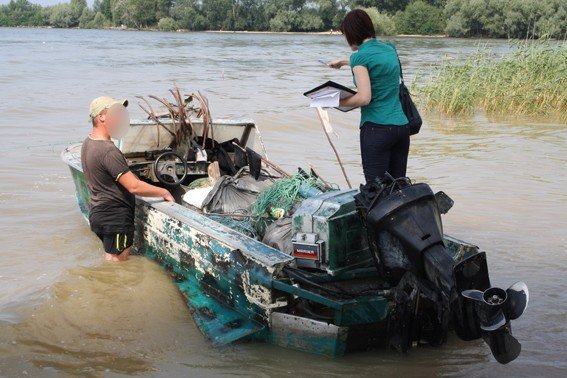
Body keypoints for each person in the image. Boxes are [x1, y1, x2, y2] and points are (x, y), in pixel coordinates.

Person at [81, 96, 174, 262]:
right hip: (115, 218)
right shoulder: (109, 151)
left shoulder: (88, 143)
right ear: (101, 117)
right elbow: (134, 187)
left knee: (111, 259)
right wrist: (164, 191)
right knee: (117, 265)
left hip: (98, 214)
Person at [328, 9, 409, 184]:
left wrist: (334, 100)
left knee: (376, 191)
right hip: (401, 128)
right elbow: (374, 60)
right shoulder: (390, 49)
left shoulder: (359, 58)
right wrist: (343, 61)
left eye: (345, 35)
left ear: (351, 32)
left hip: (377, 129)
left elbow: (364, 98)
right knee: (398, 190)